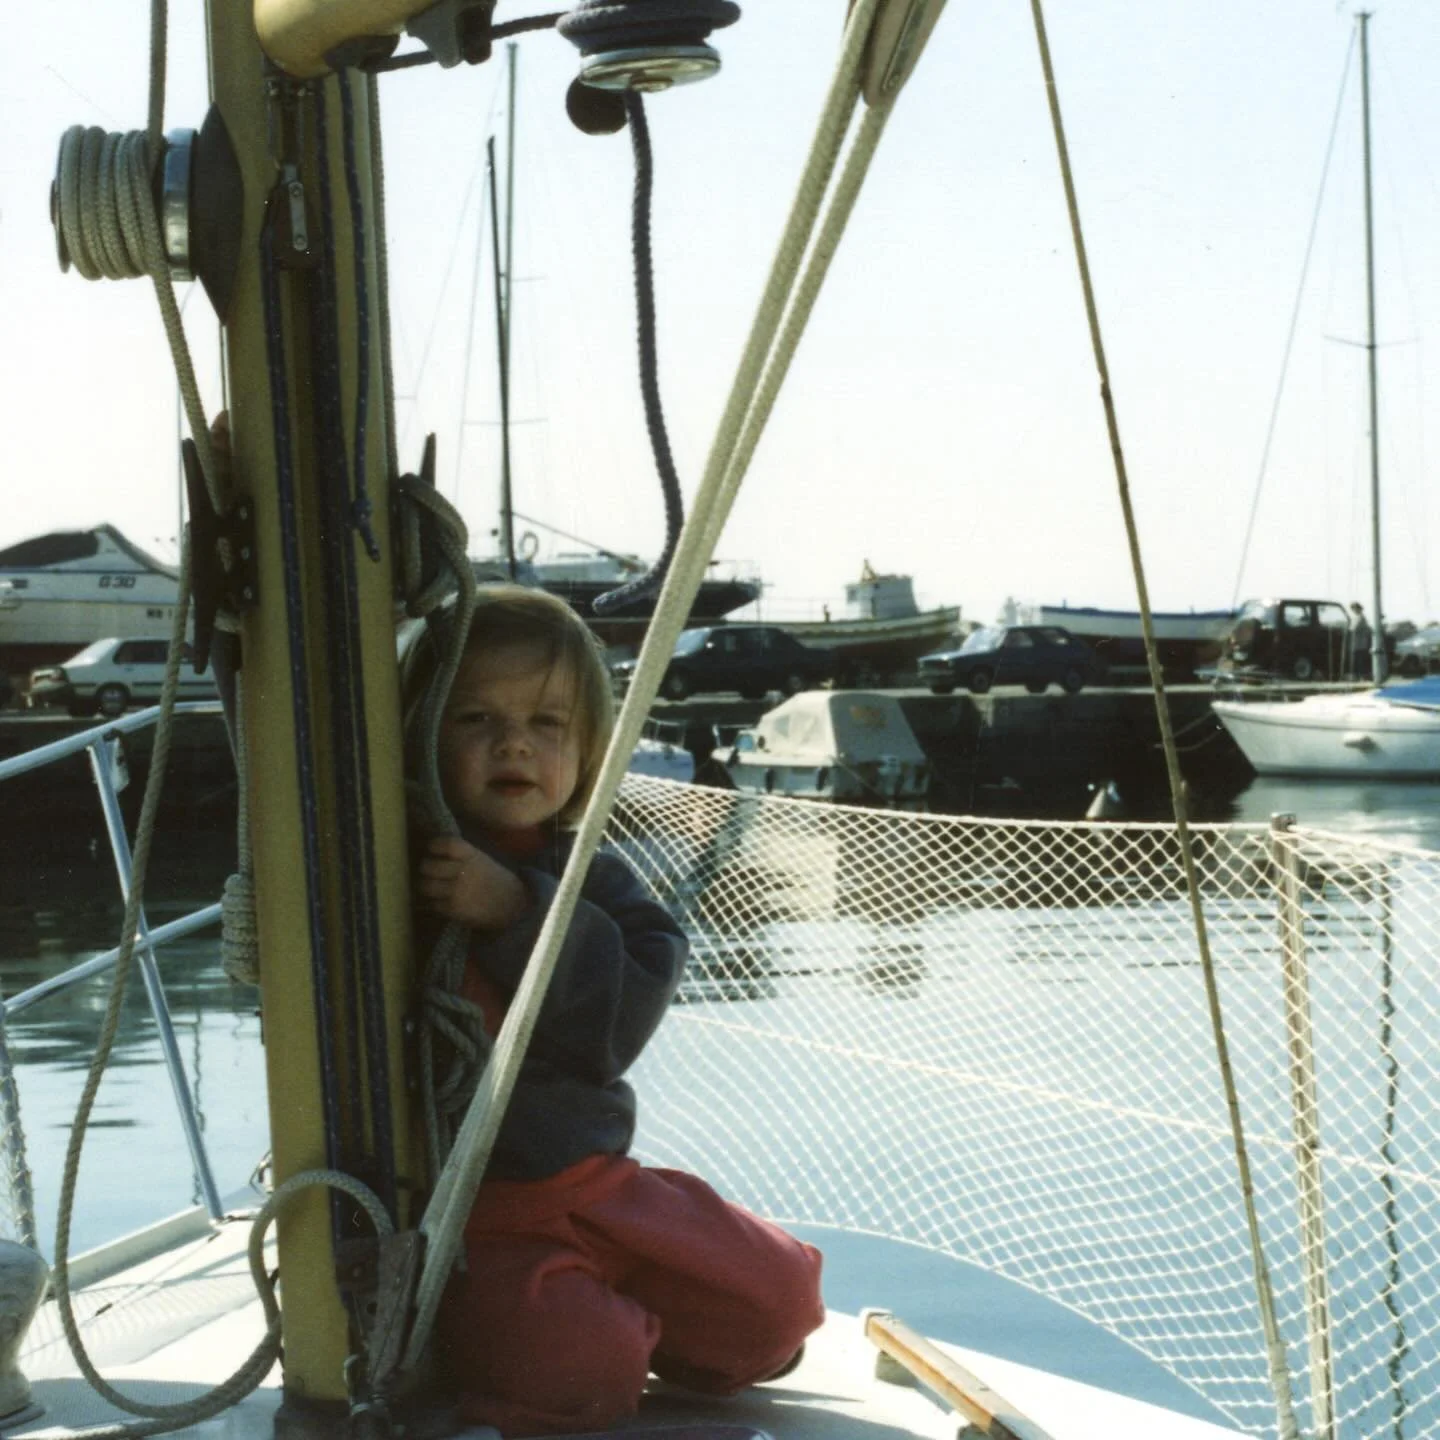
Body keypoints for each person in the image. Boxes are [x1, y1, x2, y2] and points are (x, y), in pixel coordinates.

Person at [401, 586, 824, 1436]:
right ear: (419, 734)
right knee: (585, 1373)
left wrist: (518, 913)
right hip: (480, 1223)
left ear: (590, 753)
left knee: (784, 1303)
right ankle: (569, 1328)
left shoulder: (591, 877)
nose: (514, 741)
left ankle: (645, 1312)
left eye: (547, 725)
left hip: (601, 1188)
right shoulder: (385, 872)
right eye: (475, 718)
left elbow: (617, 1026)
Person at [1349, 601, 1373, 679]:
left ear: (1359, 609)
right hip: (1356, 642)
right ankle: (1357, 675)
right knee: (1356, 660)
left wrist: (1349, 628)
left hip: (1360, 643)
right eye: (1353, 609)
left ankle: (1362, 676)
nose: (1354, 610)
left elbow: (1354, 628)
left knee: (1360, 660)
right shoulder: (1355, 617)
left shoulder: (1361, 618)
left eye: (1355, 608)